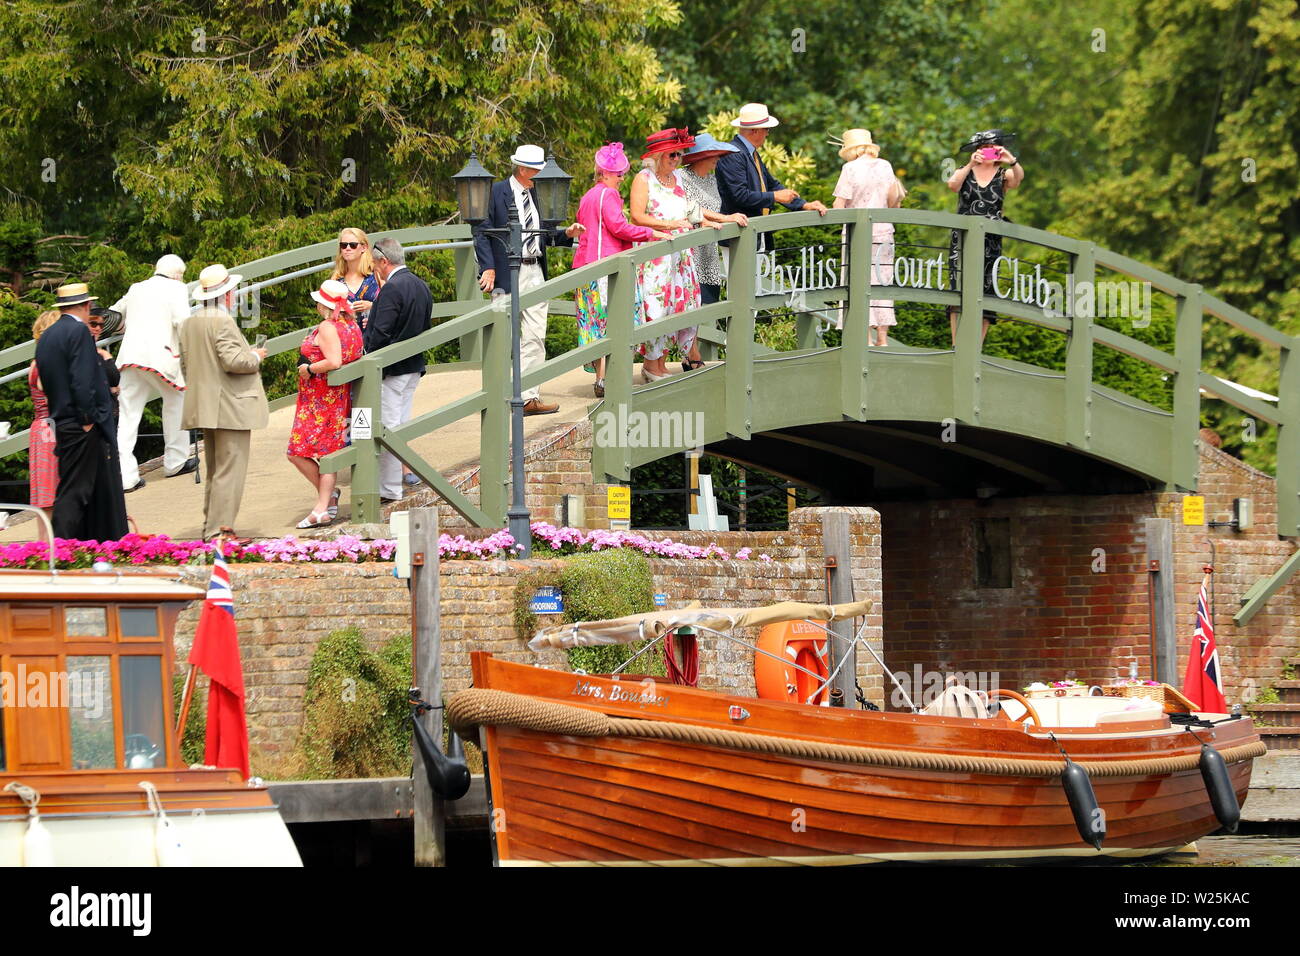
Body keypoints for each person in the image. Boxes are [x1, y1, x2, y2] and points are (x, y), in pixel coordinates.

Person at [473, 144, 585, 415]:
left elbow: (545, 234)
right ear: (523, 169)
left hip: (535, 270)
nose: (541, 176)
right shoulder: (496, 192)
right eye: (537, 171)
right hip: (505, 272)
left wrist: (566, 234)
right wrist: (488, 268)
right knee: (501, 336)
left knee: (536, 335)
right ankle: (498, 396)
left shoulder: (540, 194)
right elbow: (482, 232)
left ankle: (527, 397)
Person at [572, 142, 670, 397]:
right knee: (615, 320)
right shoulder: (609, 194)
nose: (622, 179)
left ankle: (601, 377)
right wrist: (652, 233)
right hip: (607, 267)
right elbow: (619, 227)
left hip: (586, 267)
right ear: (605, 173)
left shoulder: (587, 196)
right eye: (619, 174)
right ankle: (610, 377)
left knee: (595, 322)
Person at [178, 264, 269, 540]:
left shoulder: (188, 323)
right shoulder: (223, 321)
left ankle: (211, 527)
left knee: (216, 471)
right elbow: (234, 362)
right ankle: (221, 531)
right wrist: (256, 356)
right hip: (231, 405)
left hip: (204, 404)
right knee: (230, 470)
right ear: (227, 296)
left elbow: (185, 365)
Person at [33, 283, 128, 541]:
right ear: (86, 306)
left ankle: (89, 543)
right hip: (80, 422)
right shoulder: (77, 332)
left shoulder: (48, 336)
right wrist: (88, 419)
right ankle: (60, 548)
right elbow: (82, 379)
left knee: (81, 486)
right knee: (75, 490)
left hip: (62, 419)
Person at [629, 128, 725, 381]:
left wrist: (711, 221)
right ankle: (651, 364)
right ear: (658, 155)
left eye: (679, 155)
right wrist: (669, 225)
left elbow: (691, 210)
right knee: (657, 305)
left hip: (680, 254)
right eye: (671, 154)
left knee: (678, 306)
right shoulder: (644, 178)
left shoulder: (678, 180)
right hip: (656, 254)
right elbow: (637, 216)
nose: (676, 159)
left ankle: (661, 363)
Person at [110, 254, 195, 492]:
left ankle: (126, 477)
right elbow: (183, 323)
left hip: (130, 356)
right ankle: (175, 461)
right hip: (162, 356)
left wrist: (128, 327)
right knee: (176, 401)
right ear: (178, 274)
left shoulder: (137, 288)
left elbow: (113, 315)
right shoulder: (177, 288)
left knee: (128, 416)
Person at [286, 279, 364, 527]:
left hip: (322, 398)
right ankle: (326, 497)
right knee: (323, 450)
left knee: (299, 452)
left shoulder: (328, 326)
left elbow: (334, 361)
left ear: (323, 305)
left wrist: (309, 368)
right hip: (336, 396)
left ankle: (323, 504)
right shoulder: (350, 324)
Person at [365, 237, 433, 503]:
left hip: (392, 369)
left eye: (374, 264)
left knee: (389, 429)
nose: (374, 270)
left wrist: (368, 356)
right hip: (413, 366)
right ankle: (393, 485)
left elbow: (381, 331)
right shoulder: (420, 284)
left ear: (384, 261)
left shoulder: (393, 288)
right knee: (401, 426)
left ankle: (390, 489)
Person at [946, 128, 1024, 344]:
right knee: (958, 285)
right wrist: (971, 164)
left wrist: (1012, 161)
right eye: (983, 149)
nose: (987, 153)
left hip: (990, 240)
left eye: (992, 149)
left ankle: (976, 345)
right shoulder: (966, 170)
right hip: (962, 237)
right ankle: (956, 342)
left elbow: (1017, 180)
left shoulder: (1003, 174)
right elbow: (952, 185)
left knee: (986, 287)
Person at [831, 129, 907, 347]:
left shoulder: (849, 168)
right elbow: (894, 202)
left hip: (858, 234)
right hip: (884, 231)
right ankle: (882, 338)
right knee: (882, 281)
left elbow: (839, 205)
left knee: (858, 282)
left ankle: (865, 338)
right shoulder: (885, 166)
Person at [680, 133, 749, 368]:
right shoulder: (682, 178)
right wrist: (727, 218)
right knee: (689, 301)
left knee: (702, 303)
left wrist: (723, 219)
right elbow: (691, 208)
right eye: (714, 155)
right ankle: (692, 353)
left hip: (707, 250)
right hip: (688, 248)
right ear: (702, 157)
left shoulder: (710, 179)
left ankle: (691, 351)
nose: (717, 160)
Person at [716, 103, 828, 228]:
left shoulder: (750, 153)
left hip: (753, 230)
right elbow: (740, 195)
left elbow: (771, 185)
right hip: (739, 236)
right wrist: (775, 196)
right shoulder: (733, 154)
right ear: (755, 131)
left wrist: (804, 205)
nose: (767, 134)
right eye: (767, 129)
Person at [27, 310, 60, 516]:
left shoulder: (36, 363)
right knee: (51, 495)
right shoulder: (45, 364)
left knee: (46, 496)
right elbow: (55, 398)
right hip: (51, 429)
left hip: (41, 428)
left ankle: (44, 544)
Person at [332, 227, 380, 322]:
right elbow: (326, 312)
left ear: (364, 247)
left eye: (353, 245)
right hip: (348, 334)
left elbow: (392, 303)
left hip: (375, 332)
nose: (348, 248)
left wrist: (371, 306)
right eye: (343, 245)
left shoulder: (376, 274)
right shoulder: (336, 280)